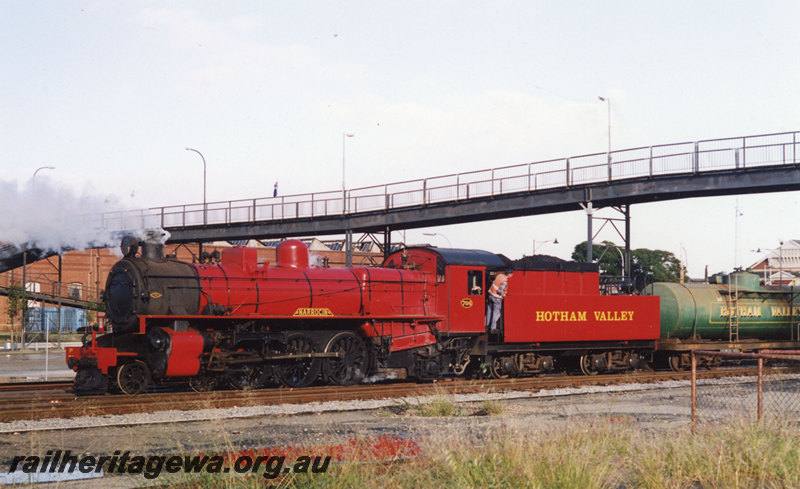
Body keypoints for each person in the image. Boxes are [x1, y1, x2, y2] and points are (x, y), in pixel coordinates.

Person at [486, 268, 514, 333]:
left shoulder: (499, 275)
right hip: (496, 297)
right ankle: (493, 328)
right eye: (512, 274)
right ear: (509, 274)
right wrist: (503, 294)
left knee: (489, 311)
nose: (512, 275)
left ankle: (486, 325)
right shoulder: (504, 281)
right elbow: (500, 291)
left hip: (490, 294)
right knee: (496, 312)